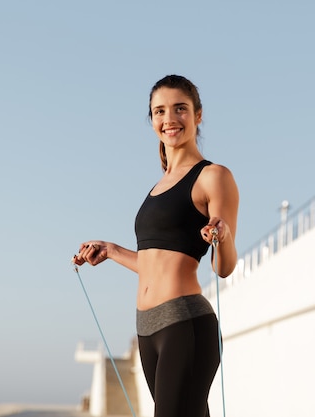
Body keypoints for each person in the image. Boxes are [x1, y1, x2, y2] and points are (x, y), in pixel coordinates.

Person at [73, 74, 239, 417]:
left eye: (180, 108)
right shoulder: (158, 186)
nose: (169, 119)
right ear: (151, 120)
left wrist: (222, 236)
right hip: (147, 330)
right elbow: (157, 261)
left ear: (198, 114)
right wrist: (112, 250)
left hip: (185, 323)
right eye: (159, 111)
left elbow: (223, 268)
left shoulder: (213, 176)